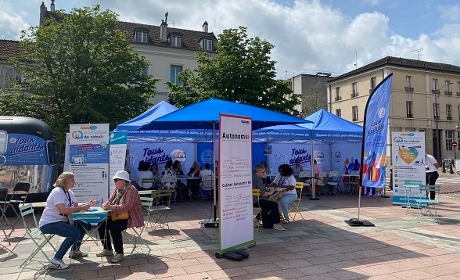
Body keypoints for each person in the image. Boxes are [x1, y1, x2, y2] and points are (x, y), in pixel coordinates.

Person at [39, 172, 95, 269]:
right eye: (72, 180)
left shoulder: (69, 192)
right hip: (49, 223)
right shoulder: (57, 192)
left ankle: (75, 251)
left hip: (60, 221)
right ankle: (56, 259)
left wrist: (86, 204)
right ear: (65, 181)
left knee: (83, 225)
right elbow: (63, 210)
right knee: (74, 233)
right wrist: (81, 208)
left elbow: (75, 205)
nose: (74, 182)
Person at [97, 170, 144, 263]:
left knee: (115, 228)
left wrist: (111, 207)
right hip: (117, 215)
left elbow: (127, 206)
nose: (114, 182)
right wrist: (106, 204)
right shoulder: (118, 189)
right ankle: (108, 249)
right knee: (101, 224)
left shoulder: (131, 190)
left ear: (123, 181)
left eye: (116, 180)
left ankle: (119, 253)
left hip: (129, 217)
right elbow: (110, 200)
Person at [252, 164, 285, 230]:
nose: (264, 174)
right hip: (257, 201)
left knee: (268, 204)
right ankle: (276, 223)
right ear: (258, 171)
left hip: (251, 200)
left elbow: (259, 189)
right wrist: (271, 191)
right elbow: (263, 194)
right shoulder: (259, 180)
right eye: (263, 172)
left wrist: (267, 188)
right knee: (274, 204)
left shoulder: (252, 177)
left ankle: (257, 219)